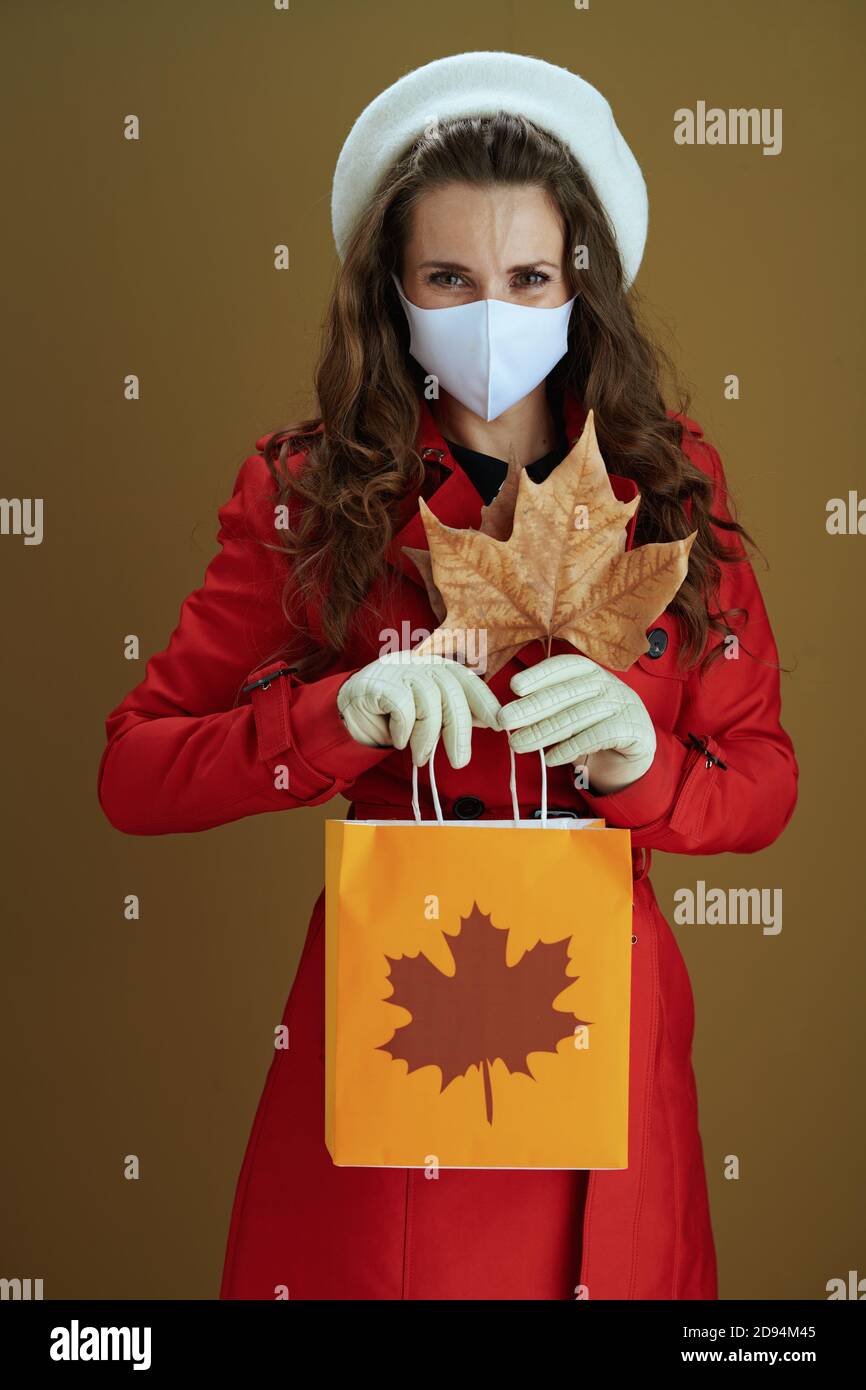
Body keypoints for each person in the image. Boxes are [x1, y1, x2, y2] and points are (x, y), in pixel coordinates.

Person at [97, 51, 798, 1300]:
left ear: (579, 288)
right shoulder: (310, 493)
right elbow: (135, 771)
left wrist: (644, 775)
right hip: (394, 1024)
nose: (494, 313)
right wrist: (327, 719)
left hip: (605, 1027)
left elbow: (761, 779)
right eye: (449, 280)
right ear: (394, 292)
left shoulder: (670, 484)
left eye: (529, 279)